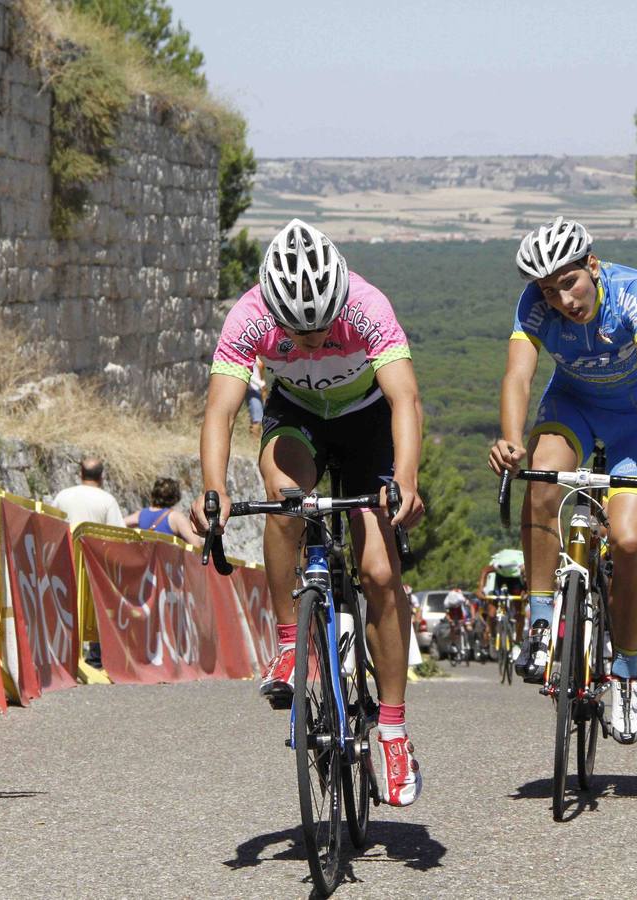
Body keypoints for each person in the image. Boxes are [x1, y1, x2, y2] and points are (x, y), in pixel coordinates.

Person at [189, 219, 425, 805]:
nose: (315, 341)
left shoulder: (367, 305)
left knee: (378, 572)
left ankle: (393, 731)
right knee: (286, 501)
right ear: (274, 311)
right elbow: (219, 413)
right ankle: (292, 641)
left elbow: (405, 399)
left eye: (323, 326)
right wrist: (214, 492)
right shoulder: (248, 315)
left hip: (368, 422)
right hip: (297, 415)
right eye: (299, 331)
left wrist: (405, 481)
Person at [488, 216, 637, 745]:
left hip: (632, 421)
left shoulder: (632, 289)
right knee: (542, 480)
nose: (563, 300)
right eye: (550, 290)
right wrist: (510, 439)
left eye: (569, 282)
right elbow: (518, 375)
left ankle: (625, 673)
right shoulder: (534, 304)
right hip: (572, 405)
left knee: (630, 541)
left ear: (592, 265)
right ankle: (541, 619)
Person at [125, 476, 203, 548]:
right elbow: (196, 544)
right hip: (167, 558)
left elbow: (121, 523)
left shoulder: (141, 514)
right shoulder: (175, 517)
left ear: (153, 494)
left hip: (145, 557)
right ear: (175, 497)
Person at [475, 547, 526, 653]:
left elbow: (527, 581)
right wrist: (480, 589)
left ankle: (517, 641)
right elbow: (485, 571)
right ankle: (492, 635)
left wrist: (526, 591)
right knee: (492, 612)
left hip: (515, 579)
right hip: (499, 575)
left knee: (520, 612)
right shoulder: (498, 563)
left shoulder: (524, 566)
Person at [53, 457, 126, 530]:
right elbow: (117, 532)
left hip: (67, 537)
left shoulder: (62, 495)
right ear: (101, 477)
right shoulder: (108, 501)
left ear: (81, 475)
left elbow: (51, 522)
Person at [245, 359, 265, 439]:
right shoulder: (248, 356)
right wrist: (261, 384)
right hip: (252, 389)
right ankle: (254, 442)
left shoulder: (258, 357)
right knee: (257, 420)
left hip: (257, 390)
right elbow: (246, 373)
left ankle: (254, 441)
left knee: (258, 418)